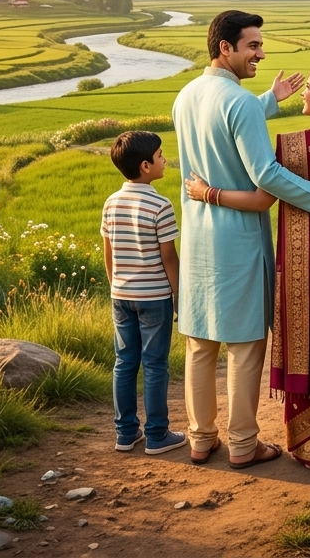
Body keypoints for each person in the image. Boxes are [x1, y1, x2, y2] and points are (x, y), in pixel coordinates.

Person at [173, 10, 310, 468]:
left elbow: (225, 120)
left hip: (198, 238)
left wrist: (270, 100)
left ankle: (201, 439)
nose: (261, 52)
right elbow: (266, 174)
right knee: (243, 346)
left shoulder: (187, 95)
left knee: (200, 345)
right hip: (237, 241)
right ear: (226, 48)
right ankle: (242, 444)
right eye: (253, 46)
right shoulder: (236, 102)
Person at [101, 130, 186, 455]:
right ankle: (156, 435)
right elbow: (168, 257)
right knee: (154, 365)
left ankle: (125, 434)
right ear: (146, 165)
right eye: (161, 155)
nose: (165, 159)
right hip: (154, 298)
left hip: (121, 295)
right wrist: (178, 295)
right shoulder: (160, 205)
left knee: (124, 363)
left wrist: (115, 286)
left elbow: (108, 252)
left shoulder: (112, 202)